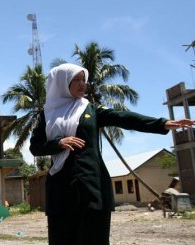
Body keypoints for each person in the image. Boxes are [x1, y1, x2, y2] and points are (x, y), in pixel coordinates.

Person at [29, 63, 193, 245]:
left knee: (95, 238)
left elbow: (122, 117)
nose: (82, 84)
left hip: (92, 187)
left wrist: (161, 124)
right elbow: (35, 147)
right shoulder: (47, 115)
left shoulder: (90, 109)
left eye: (84, 79)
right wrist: (58, 143)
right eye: (76, 79)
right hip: (61, 189)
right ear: (61, 82)